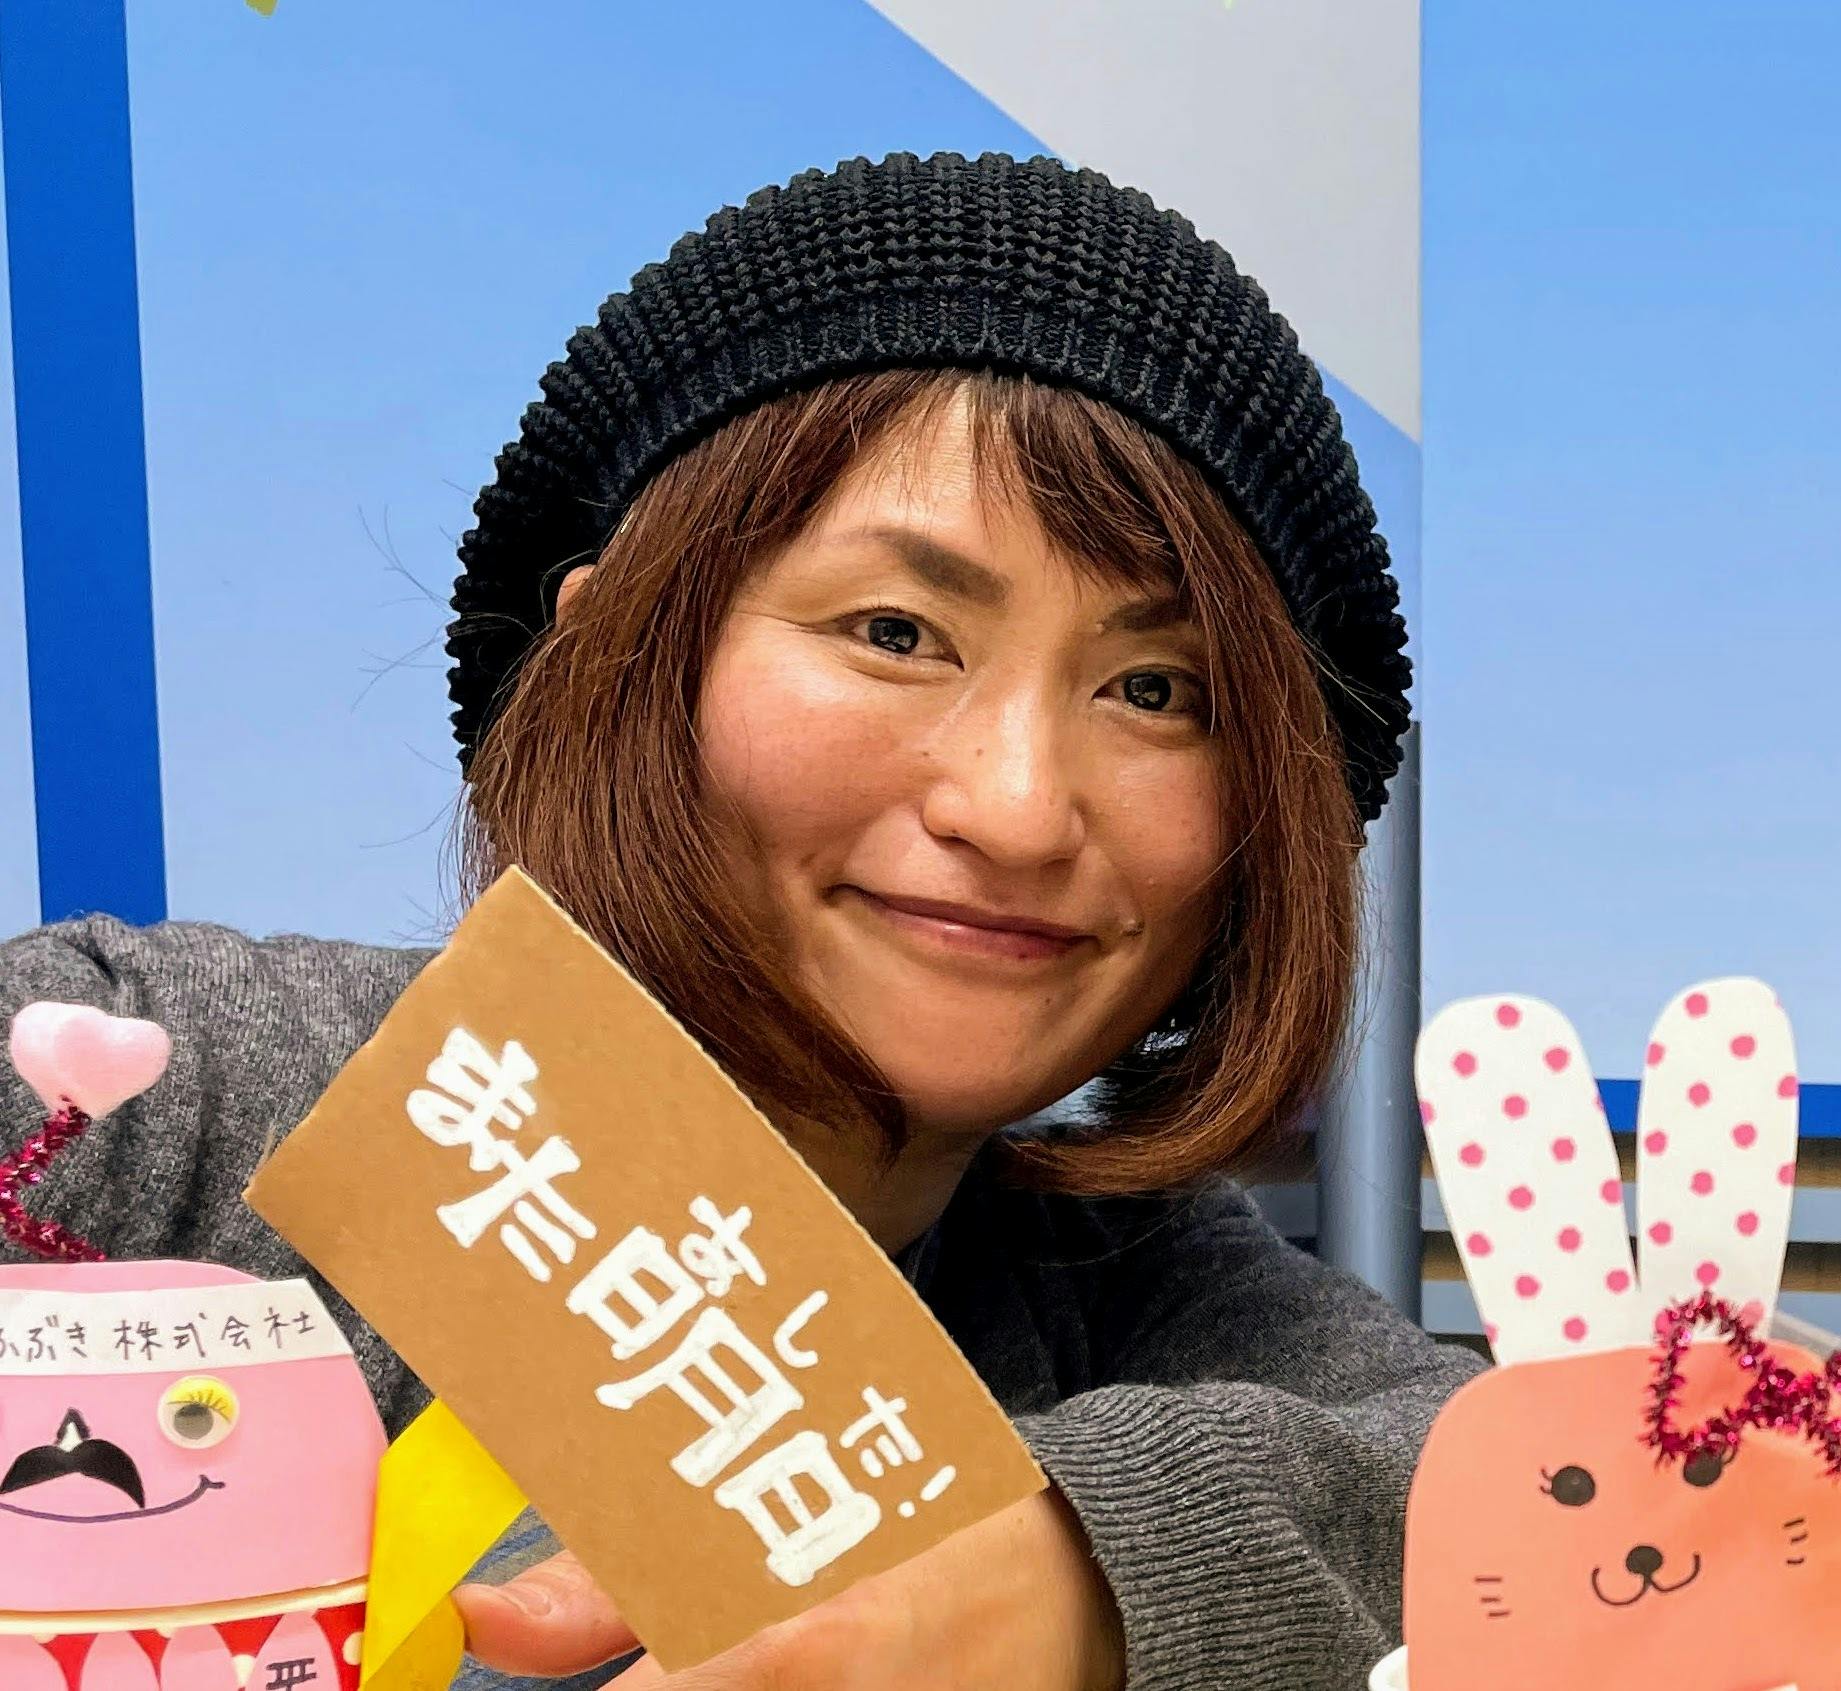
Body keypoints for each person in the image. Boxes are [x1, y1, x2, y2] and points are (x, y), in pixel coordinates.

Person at [0, 151, 1482, 1690]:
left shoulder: (1125, 1285)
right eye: (894, 631)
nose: (1017, 806)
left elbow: (1528, 1484)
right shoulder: (135, 1095)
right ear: (610, 659)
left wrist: (1091, 1561)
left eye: (1154, 690)